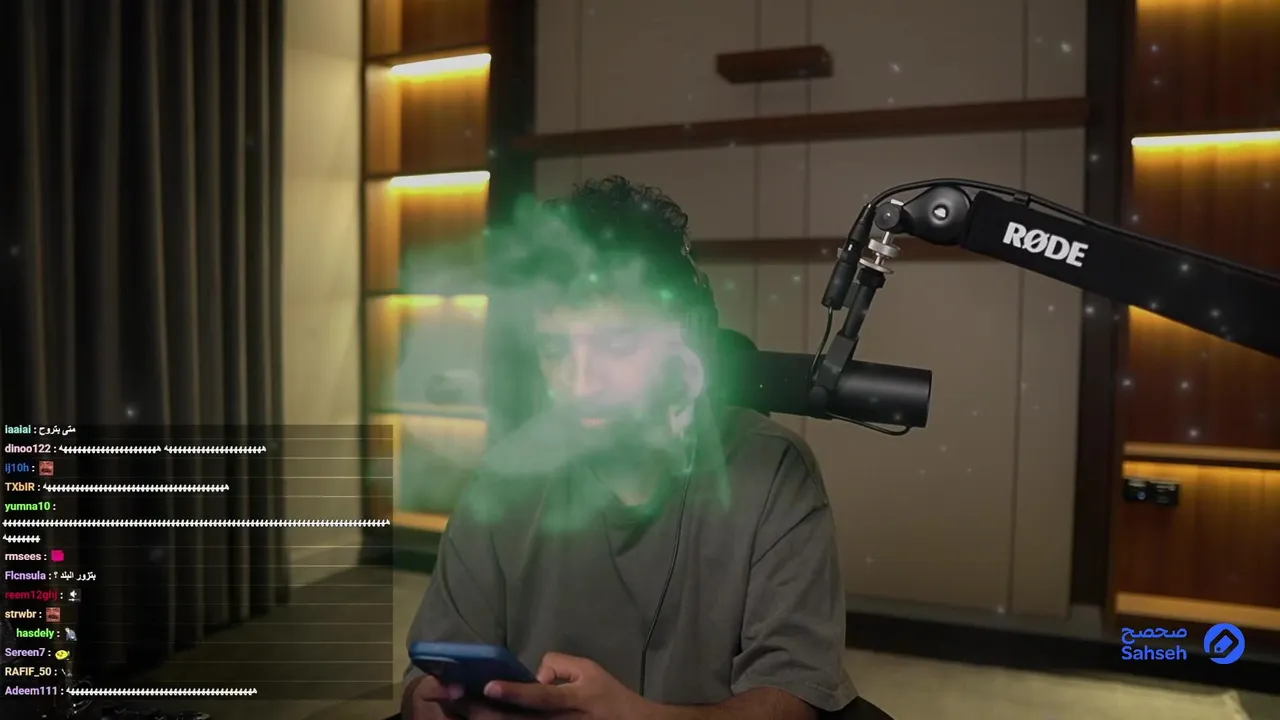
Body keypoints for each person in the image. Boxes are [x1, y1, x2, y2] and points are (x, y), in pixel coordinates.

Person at [402, 176, 857, 719]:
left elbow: (793, 699)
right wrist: (427, 704)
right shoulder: (504, 477)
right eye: (555, 349)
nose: (579, 382)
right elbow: (428, 671)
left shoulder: (774, 471)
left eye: (616, 344)